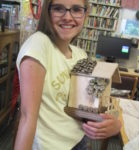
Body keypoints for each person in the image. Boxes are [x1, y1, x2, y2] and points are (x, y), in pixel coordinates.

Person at [14, 0, 121, 149]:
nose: (68, 17)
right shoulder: (39, 44)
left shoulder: (81, 55)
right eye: (58, 8)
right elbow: (27, 117)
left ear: (85, 14)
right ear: (47, 12)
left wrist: (113, 124)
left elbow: (87, 108)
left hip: (80, 141)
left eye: (76, 9)